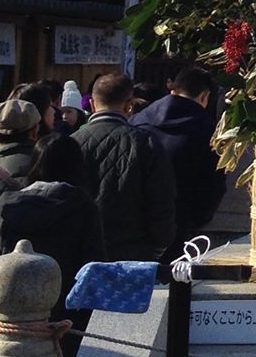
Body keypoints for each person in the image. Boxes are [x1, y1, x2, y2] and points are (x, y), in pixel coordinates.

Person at [0, 95, 105, 357]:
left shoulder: (7, 203)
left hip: (12, 307)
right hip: (65, 312)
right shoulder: (82, 206)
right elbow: (93, 263)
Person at [58, 70, 174, 262]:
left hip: (79, 250)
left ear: (92, 105)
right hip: (133, 251)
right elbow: (161, 201)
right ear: (129, 105)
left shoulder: (71, 142)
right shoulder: (146, 143)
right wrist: (159, 246)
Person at [134, 63, 225, 240]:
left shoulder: (138, 120)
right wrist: (196, 222)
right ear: (204, 96)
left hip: (134, 220)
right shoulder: (207, 131)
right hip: (181, 223)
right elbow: (212, 185)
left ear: (172, 90)